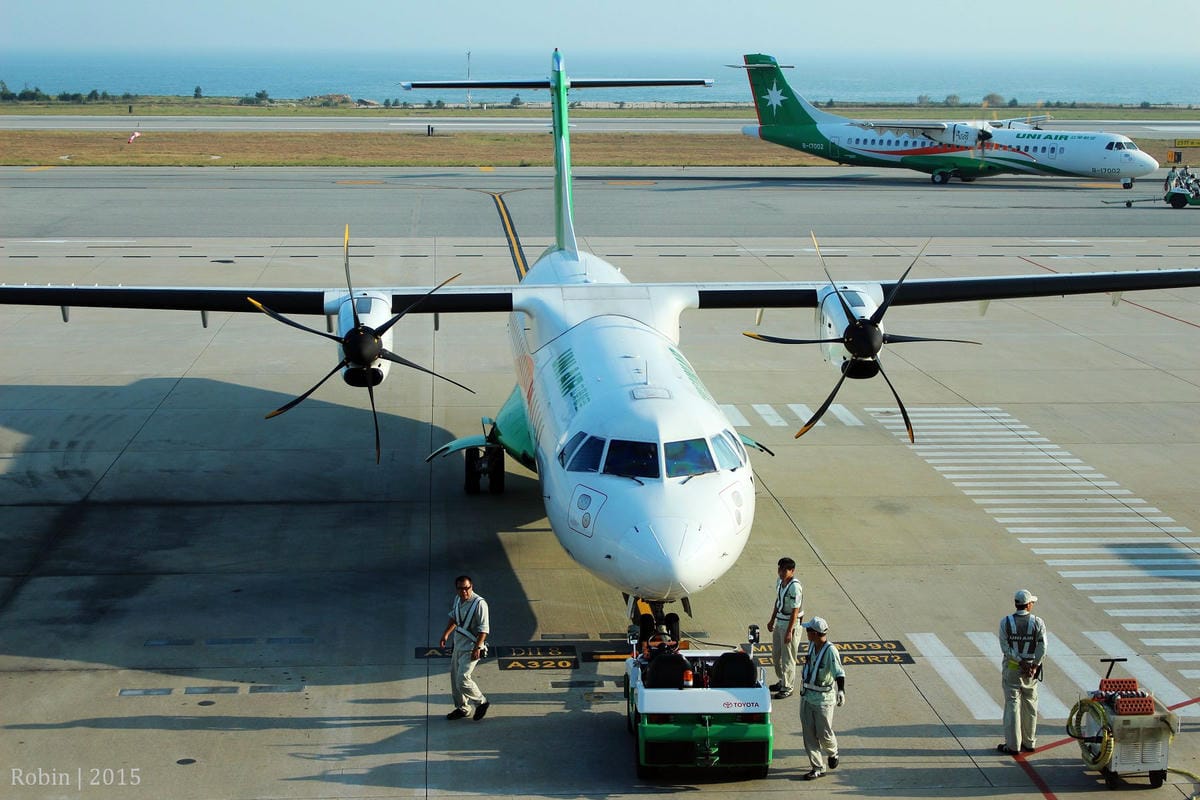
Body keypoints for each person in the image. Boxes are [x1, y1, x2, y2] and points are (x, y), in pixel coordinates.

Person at [997, 588, 1047, 755]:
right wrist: (1034, 665)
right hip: (1031, 671)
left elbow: (1005, 648)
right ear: (1028, 605)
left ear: (1016, 604)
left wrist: (1019, 662)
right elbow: (1042, 646)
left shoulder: (1006, 622)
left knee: (1012, 704)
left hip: (1012, 667)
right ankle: (1030, 741)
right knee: (1030, 704)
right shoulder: (1038, 622)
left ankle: (1013, 745)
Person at [798, 616, 845, 780]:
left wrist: (841, 691)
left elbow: (839, 672)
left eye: (808, 630)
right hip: (807, 697)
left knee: (824, 734)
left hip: (823, 700)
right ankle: (817, 767)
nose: (806, 632)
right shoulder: (812, 645)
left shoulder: (830, 651)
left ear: (816, 633)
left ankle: (833, 752)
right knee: (809, 734)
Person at [440, 574, 491, 721]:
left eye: (467, 588)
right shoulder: (458, 600)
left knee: (462, 679)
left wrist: (477, 648)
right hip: (458, 645)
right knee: (454, 679)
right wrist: (446, 634)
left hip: (471, 647)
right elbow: (454, 618)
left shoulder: (480, 604)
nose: (464, 592)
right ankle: (463, 709)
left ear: (471, 587)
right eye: (461, 589)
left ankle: (481, 702)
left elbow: (484, 630)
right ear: (456, 589)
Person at [766, 557, 802, 699]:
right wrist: (772, 619)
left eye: (784, 570)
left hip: (789, 624)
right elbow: (778, 600)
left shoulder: (795, 587)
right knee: (776, 655)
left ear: (792, 571)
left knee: (788, 658)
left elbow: (795, 611)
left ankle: (788, 687)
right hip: (780, 622)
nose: (781, 572)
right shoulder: (780, 582)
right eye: (779, 569)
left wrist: (789, 632)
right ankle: (782, 680)